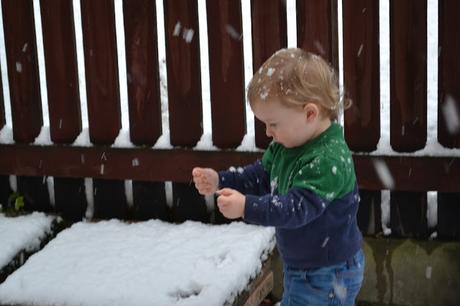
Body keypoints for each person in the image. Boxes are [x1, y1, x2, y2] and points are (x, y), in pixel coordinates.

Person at [192, 48, 364, 306]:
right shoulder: (289, 144)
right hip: (307, 267)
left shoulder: (327, 161)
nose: (268, 132)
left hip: (327, 274)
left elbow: (295, 209)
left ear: (310, 114)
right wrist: (220, 179)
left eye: (273, 123)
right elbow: (261, 176)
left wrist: (246, 207)